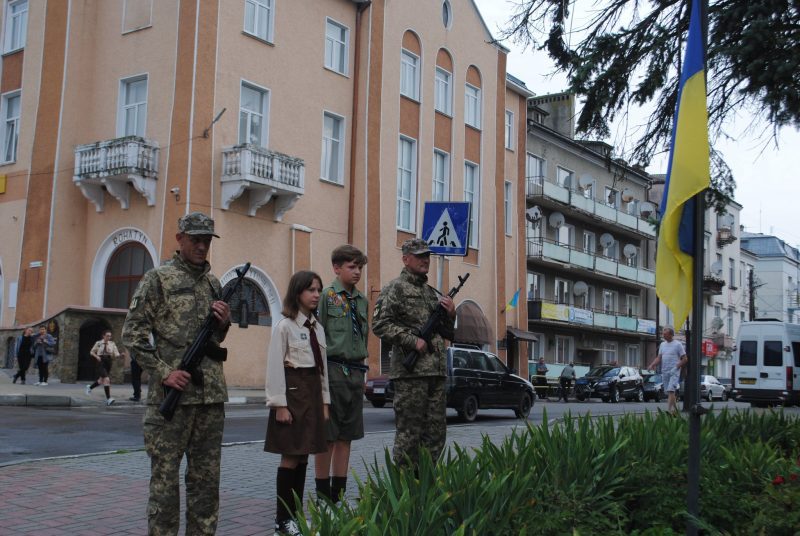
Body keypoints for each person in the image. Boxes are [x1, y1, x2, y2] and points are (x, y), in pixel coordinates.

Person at [122, 211, 231, 536]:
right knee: (165, 485)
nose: (202, 246)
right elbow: (133, 334)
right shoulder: (158, 279)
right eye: (195, 239)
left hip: (210, 398)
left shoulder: (214, 283)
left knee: (206, 484)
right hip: (171, 399)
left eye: (207, 240)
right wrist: (164, 372)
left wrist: (223, 322)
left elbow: (216, 339)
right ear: (180, 238)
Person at [372, 238, 456, 468]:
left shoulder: (431, 293)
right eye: (420, 256)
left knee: (436, 436)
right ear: (406, 259)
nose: (425, 260)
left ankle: (425, 491)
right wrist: (412, 341)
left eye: (427, 256)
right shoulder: (395, 288)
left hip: (435, 374)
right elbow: (379, 324)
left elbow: (448, 333)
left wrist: (451, 314)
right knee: (409, 436)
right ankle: (402, 493)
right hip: (411, 375)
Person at [265, 271, 330, 535]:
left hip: (312, 395)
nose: (316, 295)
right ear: (297, 293)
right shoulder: (285, 327)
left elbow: (322, 369)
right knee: (290, 456)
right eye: (311, 290)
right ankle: (282, 519)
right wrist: (279, 404)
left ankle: (296, 514)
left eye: (318, 290)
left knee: (303, 455)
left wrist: (325, 402)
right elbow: (274, 368)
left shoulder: (318, 328)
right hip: (292, 396)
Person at [314, 245, 369, 504]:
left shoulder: (362, 301)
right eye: (351, 266)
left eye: (359, 267)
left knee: (347, 435)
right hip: (333, 369)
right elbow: (317, 336)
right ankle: (323, 495)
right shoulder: (325, 296)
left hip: (356, 372)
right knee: (328, 436)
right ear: (337, 268)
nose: (357, 272)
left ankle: (338, 495)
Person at [647, 326, 688, 416]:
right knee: (668, 392)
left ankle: (669, 410)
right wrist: (652, 364)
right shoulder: (662, 345)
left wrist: (676, 367)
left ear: (671, 335)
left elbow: (685, 359)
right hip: (665, 371)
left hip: (674, 371)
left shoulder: (678, 344)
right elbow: (659, 357)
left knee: (671, 390)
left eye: (665, 334)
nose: (663, 335)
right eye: (663, 333)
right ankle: (675, 411)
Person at [85, 329, 121, 406]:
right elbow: (92, 352)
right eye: (107, 336)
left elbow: (116, 353)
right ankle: (108, 399)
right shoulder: (98, 343)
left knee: (101, 380)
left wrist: (120, 355)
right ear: (103, 336)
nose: (109, 337)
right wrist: (97, 356)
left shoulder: (112, 343)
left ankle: (89, 388)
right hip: (100, 361)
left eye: (110, 336)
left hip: (108, 361)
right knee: (106, 379)